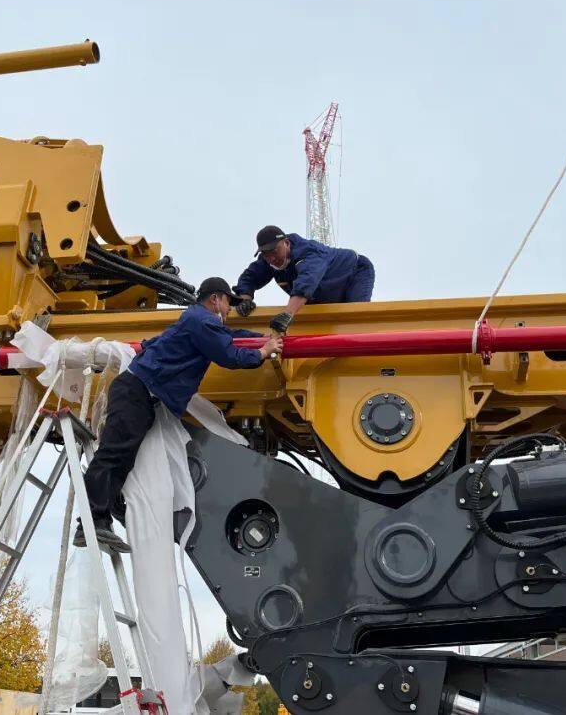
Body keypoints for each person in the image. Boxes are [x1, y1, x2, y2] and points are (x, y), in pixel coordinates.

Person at [75, 277, 282, 552]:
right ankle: (89, 525)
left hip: (140, 394)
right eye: (229, 302)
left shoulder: (200, 321)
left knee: (123, 457)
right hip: (137, 393)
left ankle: (106, 514)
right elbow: (228, 354)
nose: (230, 308)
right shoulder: (202, 320)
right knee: (115, 454)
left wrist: (261, 340)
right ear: (216, 299)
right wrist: (264, 352)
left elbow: (231, 338)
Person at [233, 225, 376, 335]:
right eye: (265, 254)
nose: (271, 258)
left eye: (274, 251)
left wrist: (287, 314)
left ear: (287, 243)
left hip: (355, 273)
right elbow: (249, 277)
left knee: (353, 321)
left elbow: (306, 282)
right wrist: (244, 300)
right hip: (322, 292)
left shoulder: (310, 253)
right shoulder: (268, 260)